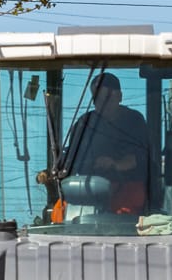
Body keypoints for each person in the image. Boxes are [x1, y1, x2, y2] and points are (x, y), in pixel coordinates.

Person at [61, 72, 152, 213]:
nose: (103, 104)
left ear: (120, 96)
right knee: (60, 211)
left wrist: (116, 164)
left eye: (108, 98)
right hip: (88, 194)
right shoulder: (84, 123)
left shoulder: (135, 121)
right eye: (97, 100)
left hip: (128, 192)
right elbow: (72, 161)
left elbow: (143, 158)